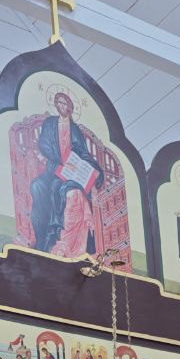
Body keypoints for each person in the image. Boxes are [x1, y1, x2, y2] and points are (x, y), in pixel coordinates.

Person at [30, 91, 104, 257]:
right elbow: (44, 144)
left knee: (69, 191)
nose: (61, 106)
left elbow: (83, 153)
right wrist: (61, 161)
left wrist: (94, 171)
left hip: (72, 174)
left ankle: (70, 244)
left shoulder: (75, 129)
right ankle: (44, 240)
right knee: (37, 186)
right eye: (59, 103)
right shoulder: (50, 123)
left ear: (70, 107)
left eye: (64, 103)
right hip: (55, 168)